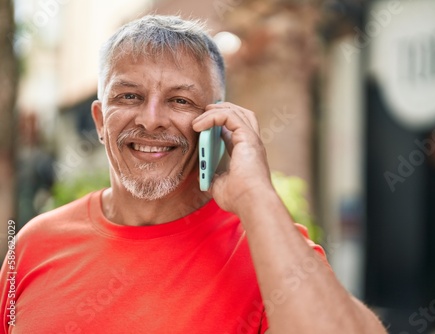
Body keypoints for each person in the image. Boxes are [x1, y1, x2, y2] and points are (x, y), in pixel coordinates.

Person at [0, 15, 387, 333]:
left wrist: (255, 195)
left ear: (216, 123)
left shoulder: (264, 246)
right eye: (129, 96)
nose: (151, 121)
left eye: (180, 100)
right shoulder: (32, 246)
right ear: (101, 121)